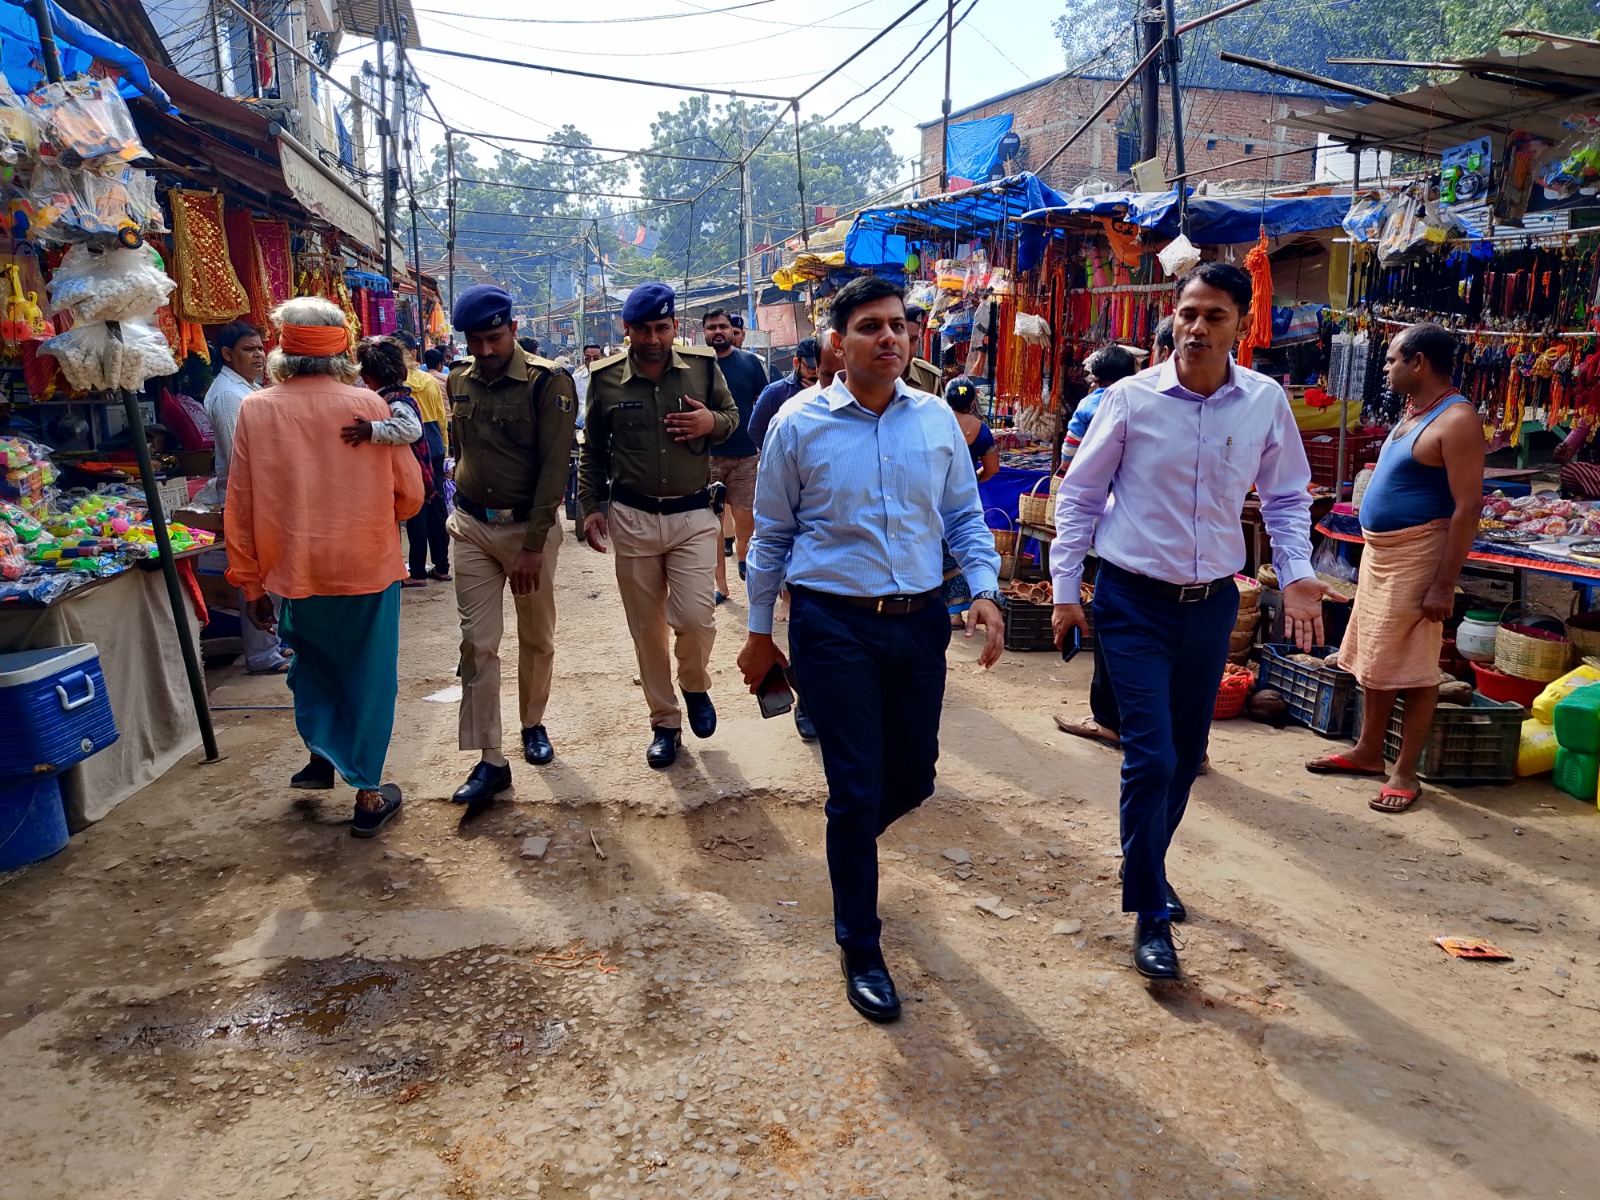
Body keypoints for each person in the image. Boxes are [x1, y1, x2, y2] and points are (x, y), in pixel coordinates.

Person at [1051, 262, 1334, 982]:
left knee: (1184, 754)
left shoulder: (1263, 402)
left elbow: (1286, 499)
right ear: (1174, 318)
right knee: (1150, 756)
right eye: (1188, 313)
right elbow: (1080, 496)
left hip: (1210, 603)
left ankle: (1147, 862)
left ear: (1242, 322)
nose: (1197, 327)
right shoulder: (1130, 399)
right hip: (1132, 599)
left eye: (1214, 315)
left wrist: (1298, 576)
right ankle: (1149, 913)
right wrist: (1064, 590)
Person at [738, 275, 1005, 1024]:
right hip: (833, 624)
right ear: (837, 343)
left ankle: (848, 839)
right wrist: (761, 635)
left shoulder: (936, 422)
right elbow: (773, 538)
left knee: (913, 778)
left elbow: (964, 516)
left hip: (919, 621)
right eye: (869, 326)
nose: (889, 337)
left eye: (898, 325)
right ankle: (860, 943)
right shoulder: (798, 424)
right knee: (855, 789)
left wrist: (982, 588)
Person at [224, 296, 423, 837]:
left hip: (295, 569)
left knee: (312, 664)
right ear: (342, 351)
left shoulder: (255, 408)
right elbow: (410, 495)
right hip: (366, 564)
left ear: (282, 349)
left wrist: (248, 583)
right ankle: (367, 794)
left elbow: (239, 504)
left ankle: (322, 754)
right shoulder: (368, 406)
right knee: (369, 675)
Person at [1307, 323, 1483, 813]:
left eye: (1390, 360)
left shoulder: (1457, 419)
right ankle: (1367, 751)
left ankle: (1405, 771)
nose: (1385, 368)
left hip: (1419, 554)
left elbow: (1468, 507)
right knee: (1376, 656)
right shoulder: (1414, 412)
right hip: (1383, 554)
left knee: (1415, 668)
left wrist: (1443, 584)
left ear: (1419, 362)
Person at [580, 282, 739, 768]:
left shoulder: (704, 369)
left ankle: (694, 685)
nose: (652, 338)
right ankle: (664, 722)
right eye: (642, 329)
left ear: (674, 327)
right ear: (626, 330)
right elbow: (594, 452)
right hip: (633, 516)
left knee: (695, 618)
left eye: (661, 328)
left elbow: (734, 417)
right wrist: (590, 505)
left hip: (692, 514)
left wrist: (712, 423)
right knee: (646, 629)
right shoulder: (605, 380)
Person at [443, 285, 579, 804]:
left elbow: (553, 469)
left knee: (536, 636)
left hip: (528, 531)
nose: (484, 350)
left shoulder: (549, 382)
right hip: (472, 527)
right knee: (478, 643)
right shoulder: (458, 379)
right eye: (475, 341)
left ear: (514, 330)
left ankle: (532, 724)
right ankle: (490, 759)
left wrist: (534, 543)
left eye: (493, 338)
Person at [203, 321, 291, 676]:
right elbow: (238, 455)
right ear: (227, 354)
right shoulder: (228, 395)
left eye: (260, 348)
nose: (259, 355)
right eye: (248, 349)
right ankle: (263, 654)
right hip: (250, 498)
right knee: (257, 577)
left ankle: (274, 644)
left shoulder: (245, 389)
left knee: (272, 573)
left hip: (264, 496)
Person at [701, 307, 770, 602]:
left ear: (732, 331)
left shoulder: (750, 363)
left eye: (722, 326)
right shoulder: (697, 366)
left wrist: (764, 444)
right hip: (707, 457)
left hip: (746, 456)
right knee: (712, 527)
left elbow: (764, 403)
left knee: (747, 525)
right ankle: (721, 585)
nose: (718, 331)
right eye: (711, 327)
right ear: (703, 333)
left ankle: (748, 569)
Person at [342, 338, 433, 515]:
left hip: (411, 473)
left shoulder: (395, 400)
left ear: (365, 377)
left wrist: (372, 429)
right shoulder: (392, 397)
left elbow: (412, 429)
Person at [391, 332, 452, 584]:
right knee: (436, 507)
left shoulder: (392, 385)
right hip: (434, 446)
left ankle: (416, 571)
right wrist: (445, 451)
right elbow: (440, 418)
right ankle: (442, 566)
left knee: (415, 506)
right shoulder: (428, 381)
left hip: (408, 448)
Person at [751, 336, 836, 449]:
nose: (816, 373)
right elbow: (755, 430)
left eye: (821, 368)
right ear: (796, 363)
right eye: (811, 367)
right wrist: (779, 454)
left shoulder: (834, 390)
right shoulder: (775, 392)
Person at [1061, 344, 1139, 465]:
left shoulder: (1089, 402)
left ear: (1096, 376)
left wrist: (1066, 463)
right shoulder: (1135, 401)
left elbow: (1073, 438)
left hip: (1090, 465)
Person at [902, 304, 942, 394]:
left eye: (913, 339)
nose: (908, 348)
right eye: (902, 339)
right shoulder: (869, 375)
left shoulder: (929, 376)